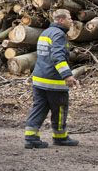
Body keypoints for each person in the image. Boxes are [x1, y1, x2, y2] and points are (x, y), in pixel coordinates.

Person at [24, 9, 80, 148]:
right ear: (61, 20)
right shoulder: (59, 35)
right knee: (60, 108)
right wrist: (67, 75)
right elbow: (57, 57)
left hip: (39, 78)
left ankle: (31, 138)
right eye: (69, 18)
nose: (71, 21)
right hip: (53, 81)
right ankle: (60, 137)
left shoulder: (46, 33)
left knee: (39, 107)